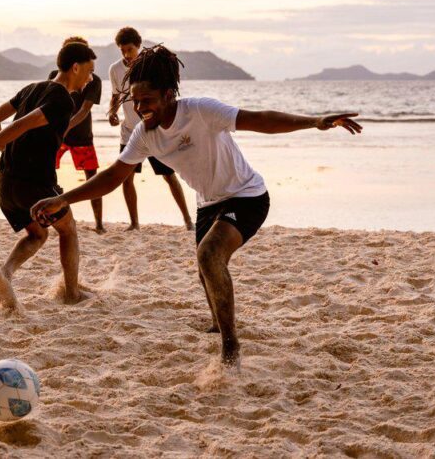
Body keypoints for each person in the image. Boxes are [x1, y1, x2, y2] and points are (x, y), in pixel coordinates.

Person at [33, 45, 362, 367]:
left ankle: (230, 346)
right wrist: (64, 198)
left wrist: (315, 121)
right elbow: (113, 176)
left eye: (147, 101)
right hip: (208, 203)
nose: (140, 109)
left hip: (247, 196)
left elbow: (260, 119)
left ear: (168, 95)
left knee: (209, 255)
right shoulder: (144, 135)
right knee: (206, 271)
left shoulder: (201, 111)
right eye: (136, 101)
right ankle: (219, 325)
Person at [0, 41, 97, 312]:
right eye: (89, 71)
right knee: (69, 229)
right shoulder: (62, 99)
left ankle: (5, 272)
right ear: (75, 67)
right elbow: (20, 124)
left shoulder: (32, 88)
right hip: (35, 186)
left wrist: (10, 153)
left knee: (37, 234)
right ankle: (72, 294)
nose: (90, 79)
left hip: (5, 183)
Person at [107, 27, 193, 231]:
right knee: (126, 178)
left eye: (129, 49)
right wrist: (112, 112)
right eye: (122, 50)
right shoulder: (115, 69)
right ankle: (134, 223)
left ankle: (188, 220)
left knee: (168, 175)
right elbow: (115, 95)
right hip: (129, 131)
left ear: (138, 46)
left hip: (154, 130)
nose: (126, 54)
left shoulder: (149, 66)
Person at [49, 36, 105, 232]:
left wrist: (65, 127)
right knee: (45, 172)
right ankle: (47, 216)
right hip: (57, 134)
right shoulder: (54, 76)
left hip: (81, 134)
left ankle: (99, 224)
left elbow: (84, 110)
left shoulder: (93, 80)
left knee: (92, 179)